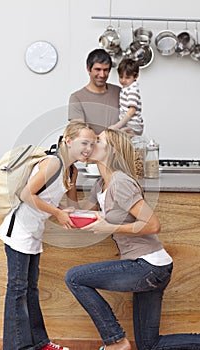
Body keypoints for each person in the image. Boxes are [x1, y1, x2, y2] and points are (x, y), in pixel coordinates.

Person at [65, 129, 200, 350]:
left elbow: (153, 224)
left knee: (75, 278)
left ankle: (115, 341)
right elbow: (80, 212)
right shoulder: (101, 184)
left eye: (98, 141)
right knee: (149, 345)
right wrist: (72, 179)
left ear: (113, 151)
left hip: (148, 266)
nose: (91, 144)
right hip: (149, 267)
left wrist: (111, 226)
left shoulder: (120, 182)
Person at [0, 120, 96, 350]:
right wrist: (58, 213)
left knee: (30, 288)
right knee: (17, 289)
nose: (88, 149)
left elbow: (72, 205)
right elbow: (25, 194)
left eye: (92, 144)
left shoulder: (71, 170)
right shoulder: (53, 163)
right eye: (84, 143)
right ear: (68, 141)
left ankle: (40, 343)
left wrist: (100, 191)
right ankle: (17, 347)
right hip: (18, 231)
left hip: (34, 233)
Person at [68, 48, 120, 134]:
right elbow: (78, 133)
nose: (102, 75)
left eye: (106, 70)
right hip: (91, 146)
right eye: (98, 69)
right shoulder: (77, 98)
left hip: (119, 146)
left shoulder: (119, 92)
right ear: (89, 69)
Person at [109, 58, 144, 137]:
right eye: (121, 77)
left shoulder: (132, 90)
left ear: (136, 76)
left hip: (133, 125)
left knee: (117, 137)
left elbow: (132, 110)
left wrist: (118, 125)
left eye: (127, 78)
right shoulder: (127, 88)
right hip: (129, 124)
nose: (123, 80)